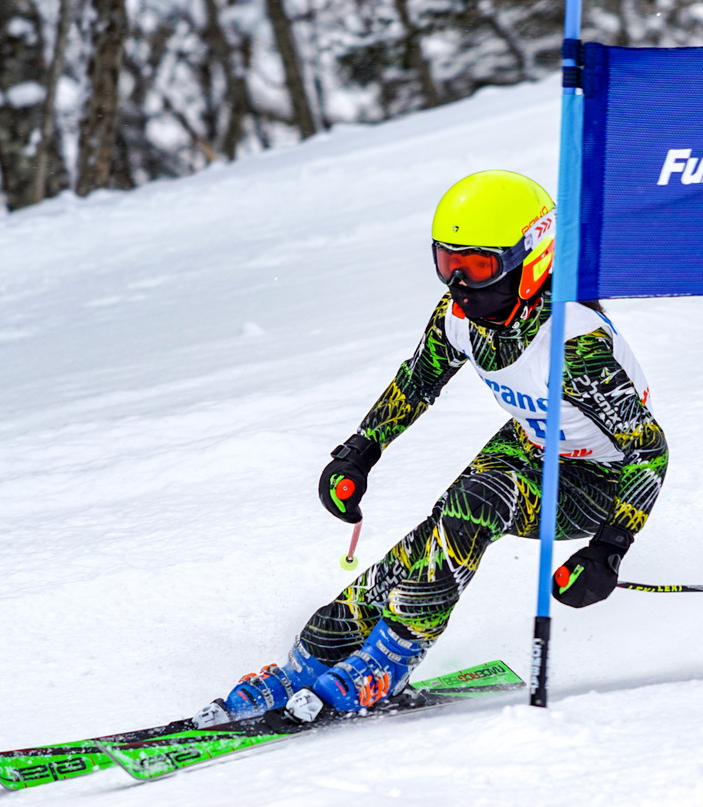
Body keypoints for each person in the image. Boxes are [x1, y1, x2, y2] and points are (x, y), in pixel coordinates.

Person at [194, 170, 668, 727]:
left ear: (532, 257)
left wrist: (608, 549)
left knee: (480, 499)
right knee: (430, 539)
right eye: (447, 262)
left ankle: (392, 656)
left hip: (600, 482)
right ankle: (315, 653)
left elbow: (649, 451)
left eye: (479, 265)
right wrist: (359, 452)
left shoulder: (572, 343)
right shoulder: (459, 318)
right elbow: (416, 382)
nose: (460, 282)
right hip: (527, 446)